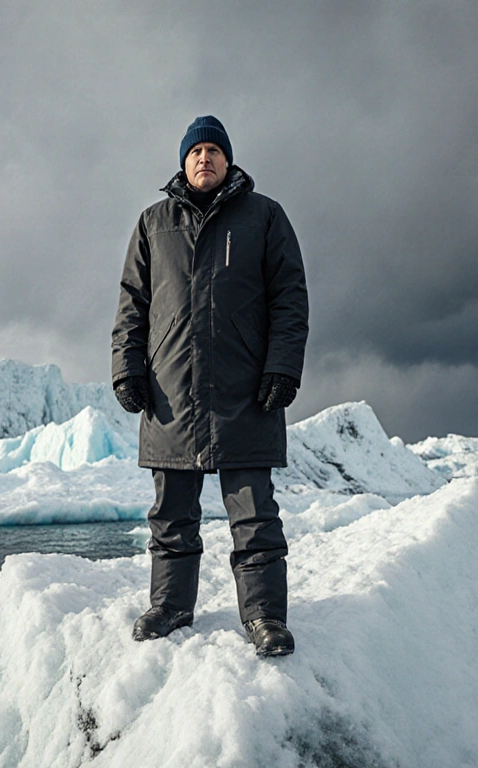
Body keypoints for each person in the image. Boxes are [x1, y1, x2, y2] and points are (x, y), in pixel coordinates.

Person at [111, 115, 309, 657]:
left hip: (245, 391)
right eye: (195, 151)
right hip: (172, 392)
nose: (205, 158)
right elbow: (133, 304)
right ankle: (171, 605)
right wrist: (127, 367)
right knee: (172, 515)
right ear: (182, 162)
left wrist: (283, 367)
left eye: (214, 151)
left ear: (229, 160)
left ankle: (265, 615)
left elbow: (289, 298)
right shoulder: (154, 223)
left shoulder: (265, 217)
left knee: (254, 516)